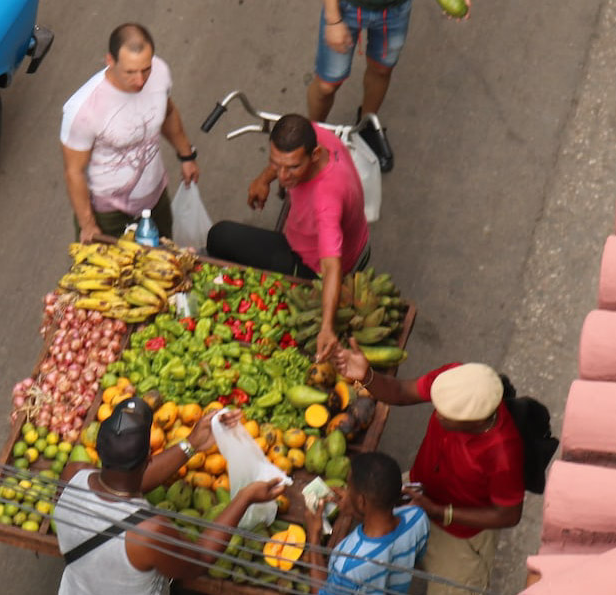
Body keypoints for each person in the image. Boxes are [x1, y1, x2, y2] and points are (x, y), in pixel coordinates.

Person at [333, 344, 524, 595]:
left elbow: (508, 515)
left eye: (446, 414)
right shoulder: (452, 380)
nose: (438, 414)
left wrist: (439, 512)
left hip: (457, 530)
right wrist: (366, 376)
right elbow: (401, 391)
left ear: (474, 422)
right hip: (416, 490)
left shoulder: (503, 455)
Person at [54, 398, 285, 594]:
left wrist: (193, 442)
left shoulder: (74, 474)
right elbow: (200, 560)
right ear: (148, 458)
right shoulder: (148, 532)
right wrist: (244, 497)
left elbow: (125, 482)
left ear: (99, 450)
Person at [206, 114, 370, 361]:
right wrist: (263, 179)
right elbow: (283, 162)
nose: (282, 177)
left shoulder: (326, 201)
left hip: (313, 266)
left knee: (220, 237)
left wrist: (326, 328)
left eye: (293, 167)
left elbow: (330, 266)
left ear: (315, 155)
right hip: (333, 237)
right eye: (276, 164)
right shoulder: (313, 134)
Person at [61, 23, 199, 242]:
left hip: (155, 199)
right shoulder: (84, 109)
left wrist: (186, 155)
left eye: (146, 69)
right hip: (108, 214)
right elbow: (74, 171)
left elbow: (168, 113)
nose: (140, 80)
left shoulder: (160, 72)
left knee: (166, 258)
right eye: (130, 72)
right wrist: (88, 224)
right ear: (110, 61)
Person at [308, 0, 470, 172]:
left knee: (381, 70)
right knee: (327, 85)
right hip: (346, 8)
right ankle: (311, 136)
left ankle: (366, 127)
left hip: (395, 10)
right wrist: (333, 19)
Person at [303, 451, 429, 594]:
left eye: (349, 487)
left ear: (361, 501)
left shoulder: (349, 563)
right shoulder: (417, 517)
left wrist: (314, 537)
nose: (346, 491)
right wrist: (356, 510)